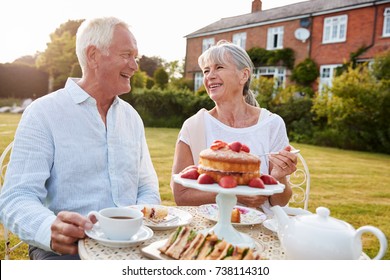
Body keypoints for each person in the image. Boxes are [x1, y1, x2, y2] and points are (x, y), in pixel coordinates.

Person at [0, 17, 161, 260]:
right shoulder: (44, 113)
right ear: (94, 55)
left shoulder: (131, 117)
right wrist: (50, 229)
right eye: (127, 54)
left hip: (131, 242)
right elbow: (16, 197)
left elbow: (147, 186)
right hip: (68, 251)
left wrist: (136, 218)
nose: (135, 66)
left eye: (135, 57)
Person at [171, 40, 297, 210]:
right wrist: (235, 194)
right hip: (211, 227)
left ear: (244, 75)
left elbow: (280, 201)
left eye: (219, 68)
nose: (209, 76)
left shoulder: (271, 124)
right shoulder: (193, 126)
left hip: (259, 226)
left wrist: (278, 177)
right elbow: (181, 196)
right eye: (206, 71)